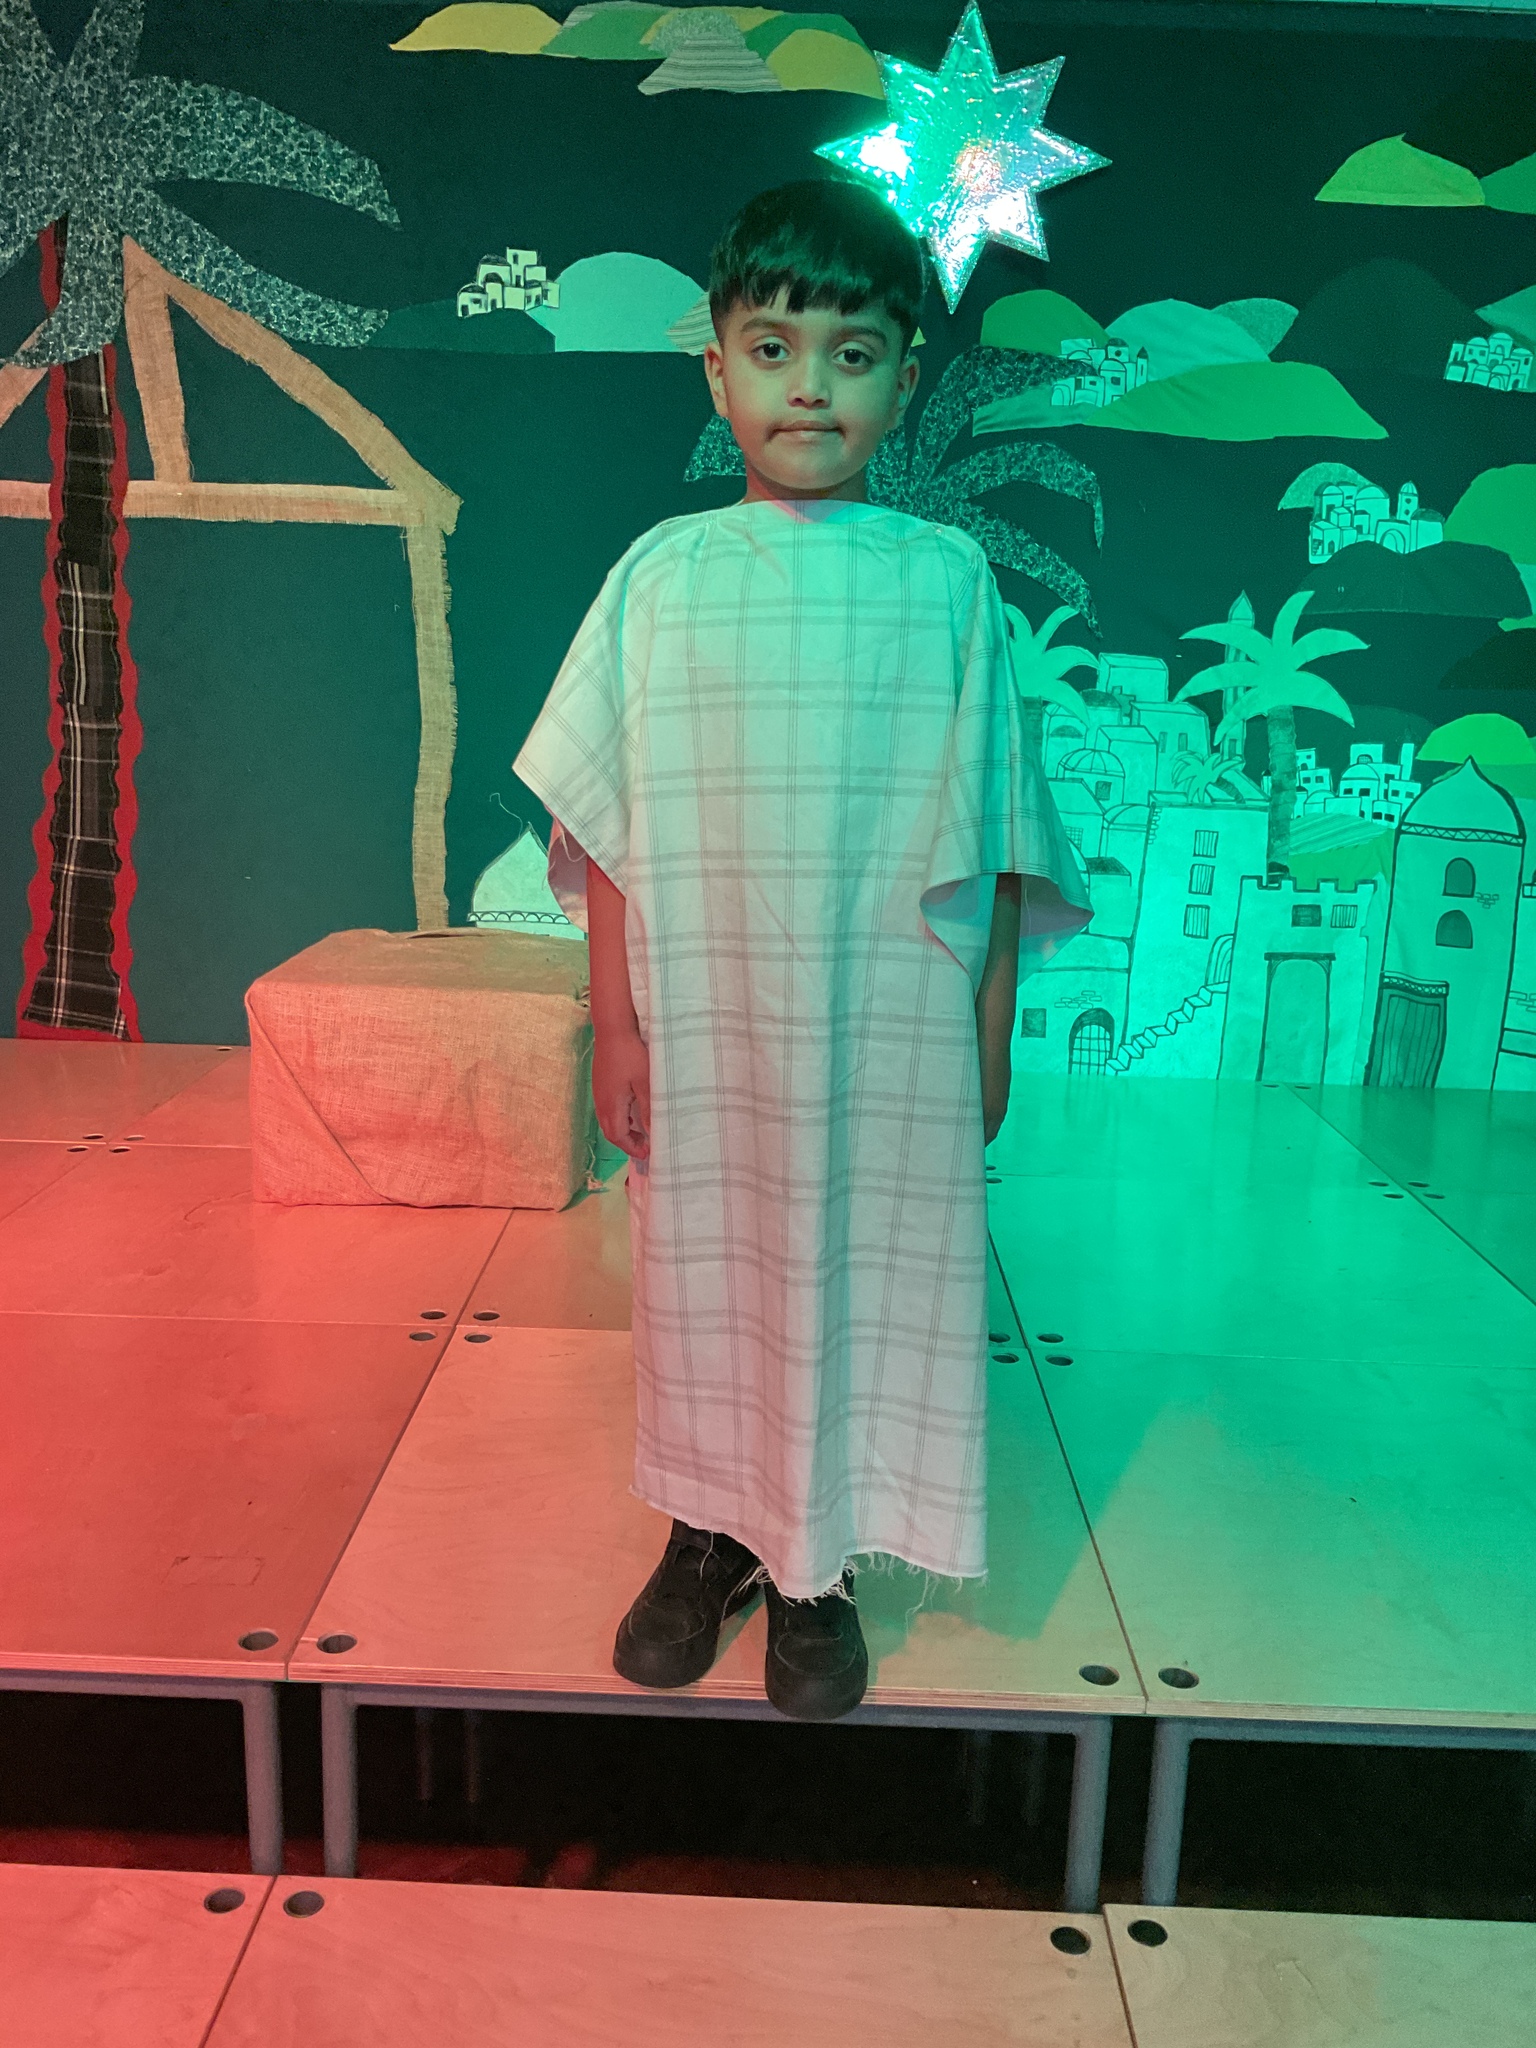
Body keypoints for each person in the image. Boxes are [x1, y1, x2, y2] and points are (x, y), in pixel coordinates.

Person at [513, 178, 1088, 1722]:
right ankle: (708, 1527)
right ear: (717, 371)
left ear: (906, 377)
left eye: (852, 353)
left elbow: (995, 832)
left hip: (887, 1025)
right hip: (709, 1017)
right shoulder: (662, 576)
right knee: (705, 1271)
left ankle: (817, 1562)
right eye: (773, 350)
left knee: (862, 1273)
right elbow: (609, 821)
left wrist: (989, 1035)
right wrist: (618, 1023)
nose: (811, 387)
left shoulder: (948, 583)